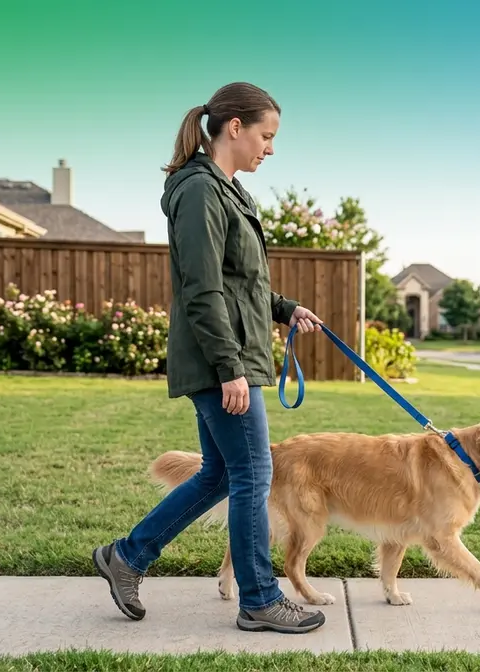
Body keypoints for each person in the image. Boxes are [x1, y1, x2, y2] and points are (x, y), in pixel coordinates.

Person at [92, 82, 327, 634]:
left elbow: (239, 283)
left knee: (222, 473)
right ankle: (260, 600)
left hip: (229, 356)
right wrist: (231, 369)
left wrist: (286, 309)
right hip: (220, 361)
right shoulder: (199, 191)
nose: (270, 148)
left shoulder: (228, 190)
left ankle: (126, 557)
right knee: (254, 475)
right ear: (235, 128)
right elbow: (201, 290)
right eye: (266, 136)